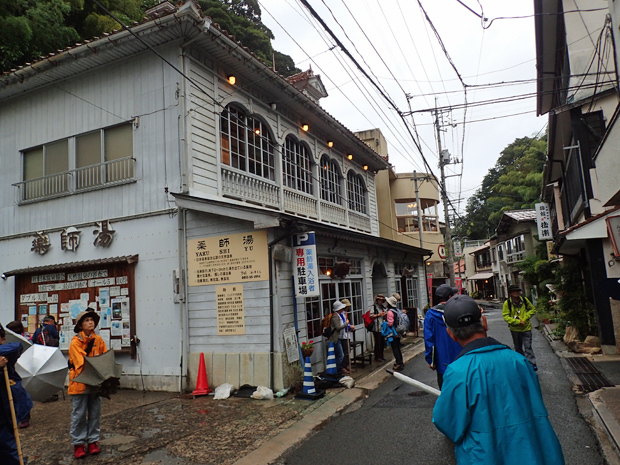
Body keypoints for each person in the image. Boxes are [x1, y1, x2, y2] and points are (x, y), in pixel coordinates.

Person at [432, 295, 564, 465]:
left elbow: (448, 423)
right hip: (532, 452)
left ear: (451, 334)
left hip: (484, 456)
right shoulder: (519, 361)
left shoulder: (457, 372)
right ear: (484, 322)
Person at [69, 309, 107, 459]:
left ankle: (93, 441)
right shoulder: (75, 343)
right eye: (87, 320)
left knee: (95, 413)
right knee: (79, 414)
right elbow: (81, 363)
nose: (90, 322)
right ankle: (78, 444)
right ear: (80, 325)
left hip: (96, 383)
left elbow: (104, 358)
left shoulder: (98, 340)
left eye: (92, 320)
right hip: (80, 383)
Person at [0, 323, 33, 464]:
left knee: (9, 447)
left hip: (5, 410)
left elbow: (17, 347)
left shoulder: (5, 354)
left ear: (2, 340)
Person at [423, 284, 462, 389]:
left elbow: (428, 339)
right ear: (450, 297)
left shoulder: (430, 314)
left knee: (444, 389)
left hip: (441, 358)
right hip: (461, 355)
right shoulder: (459, 311)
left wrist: (431, 360)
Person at [503, 284, 538, 371]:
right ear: (510, 293)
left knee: (528, 346)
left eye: (517, 291)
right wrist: (517, 322)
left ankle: (532, 364)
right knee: (518, 348)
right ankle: (522, 364)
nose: (516, 293)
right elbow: (505, 316)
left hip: (526, 328)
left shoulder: (524, 300)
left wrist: (525, 319)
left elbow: (532, 309)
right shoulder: (507, 303)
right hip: (515, 329)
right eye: (514, 291)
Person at [328, 301, 350, 374]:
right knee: (340, 355)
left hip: (339, 338)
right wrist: (346, 324)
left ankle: (339, 369)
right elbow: (338, 327)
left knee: (341, 354)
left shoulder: (339, 315)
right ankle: (338, 369)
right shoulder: (335, 316)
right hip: (335, 338)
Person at [385, 296, 404, 371]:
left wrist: (385, 323)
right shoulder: (396, 310)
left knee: (395, 348)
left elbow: (390, 323)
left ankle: (398, 363)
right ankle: (400, 361)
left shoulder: (390, 312)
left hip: (393, 332)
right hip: (399, 331)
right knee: (398, 347)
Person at [370, 294, 387, 362]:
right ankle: (377, 356)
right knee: (378, 343)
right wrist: (379, 315)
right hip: (376, 327)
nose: (380, 301)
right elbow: (371, 316)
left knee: (382, 343)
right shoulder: (374, 307)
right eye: (379, 300)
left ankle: (381, 355)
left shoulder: (383, 307)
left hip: (382, 327)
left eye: (381, 300)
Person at [339, 299, 355, 372]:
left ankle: (347, 365)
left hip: (347, 334)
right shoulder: (340, 315)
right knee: (345, 351)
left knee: (348, 351)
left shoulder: (345, 314)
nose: (348, 308)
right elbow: (343, 324)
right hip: (343, 335)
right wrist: (349, 327)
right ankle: (343, 366)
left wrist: (350, 326)